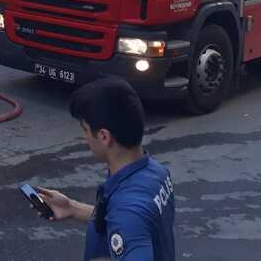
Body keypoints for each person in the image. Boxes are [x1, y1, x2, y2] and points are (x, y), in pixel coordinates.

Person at [35, 78, 175, 261]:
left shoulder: (128, 211)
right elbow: (119, 220)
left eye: (85, 129)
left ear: (104, 136)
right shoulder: (155, 172)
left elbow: (127, 219)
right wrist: (72, 208)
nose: (85, 138)